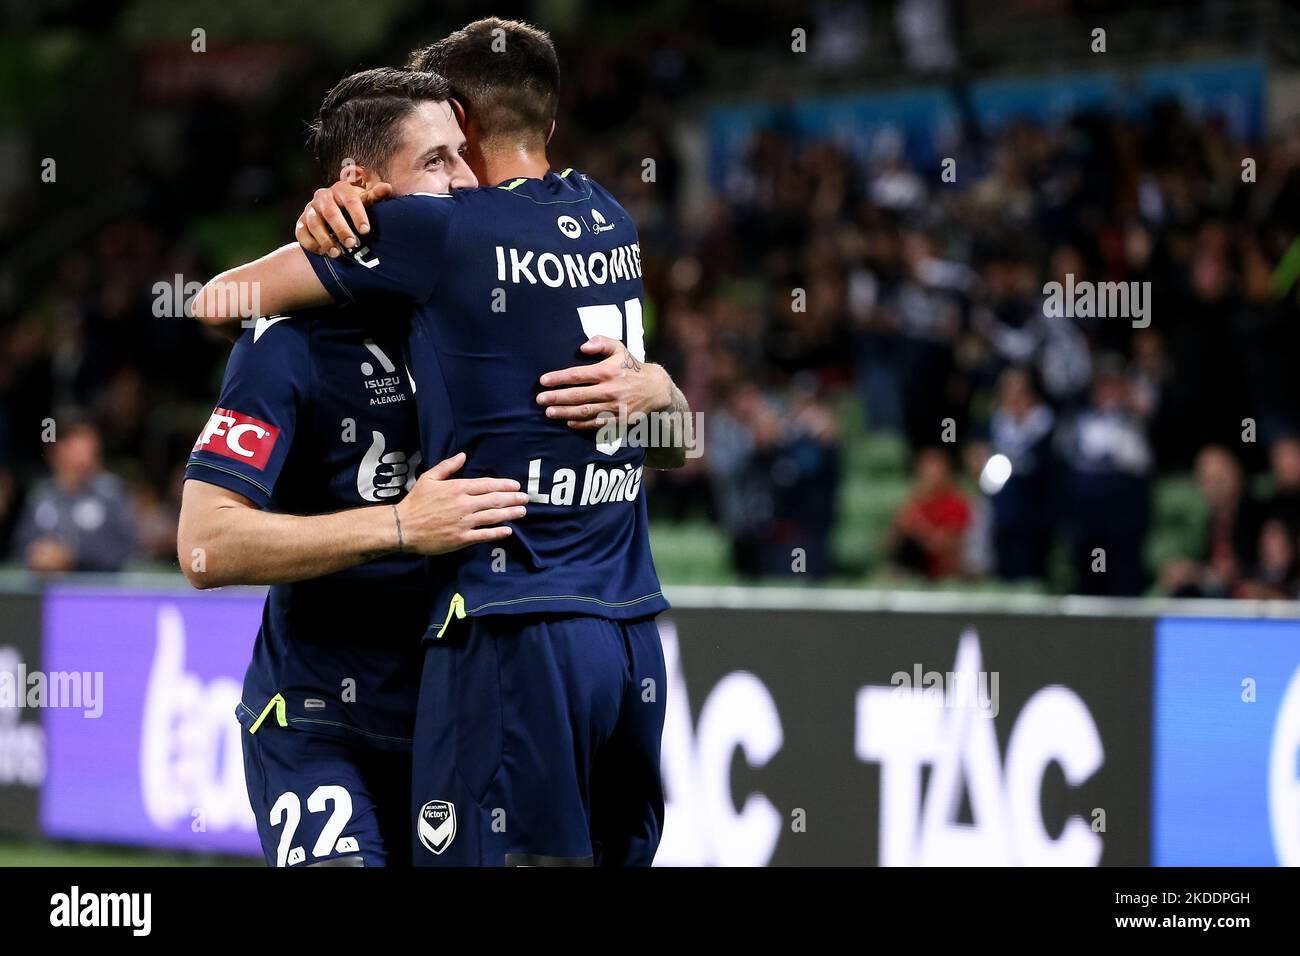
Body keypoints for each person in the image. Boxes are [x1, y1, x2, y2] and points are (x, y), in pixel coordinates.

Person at [193, 19, 692, 867]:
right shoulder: (289, 343)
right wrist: (397, 526)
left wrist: (665, 394)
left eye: (464, 153)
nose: (465, 180)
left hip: (444, 707)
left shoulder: (477, 279)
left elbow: (669, 441)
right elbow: (203, 545)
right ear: (363, 190)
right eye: (437, 162)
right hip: (325, 717)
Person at [14, 414, 137, 573]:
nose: (86, 453)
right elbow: (20, 544)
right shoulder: (41, 495)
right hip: (45, 590)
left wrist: (73, 557)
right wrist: (34, 554)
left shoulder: (111, 492)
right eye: (78, 446)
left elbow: (127, 549)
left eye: (91, 446)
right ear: (58, 449)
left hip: (97, 590)